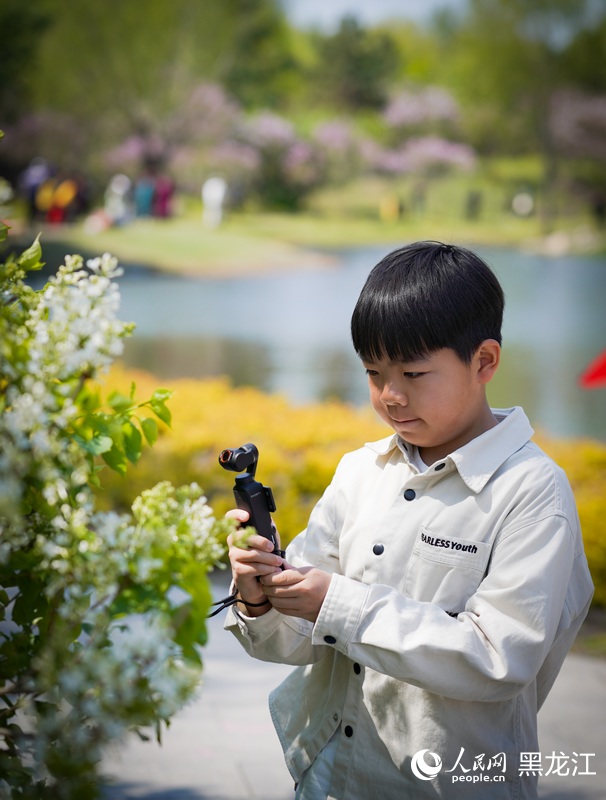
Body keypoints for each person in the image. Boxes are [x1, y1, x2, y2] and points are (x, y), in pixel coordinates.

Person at [224, 241, 594, 799]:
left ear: (484, 362)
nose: (391, 396)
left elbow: (500, 659)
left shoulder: (532, 492)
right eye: (374, 373)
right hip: (327, 777)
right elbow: (301, 640)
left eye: (414, 373)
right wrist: (260, 596)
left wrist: (338, 604)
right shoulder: (361, 471)